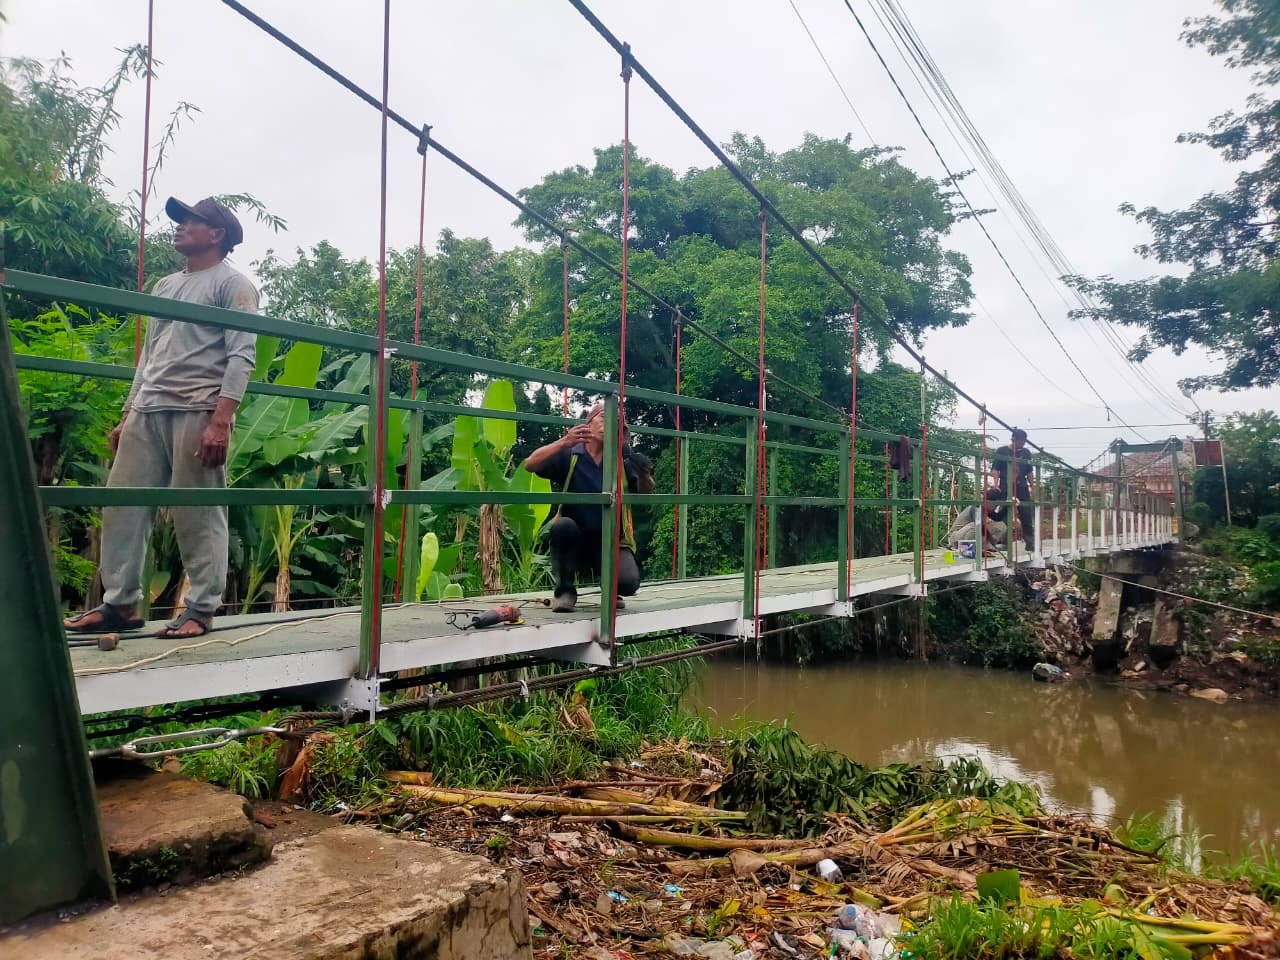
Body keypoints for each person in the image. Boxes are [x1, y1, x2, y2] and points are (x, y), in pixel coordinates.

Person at [65, 196, 258, 638]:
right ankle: (120, 605)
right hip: (148, 408)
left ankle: (201, 609)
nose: (181, 226)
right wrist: (127, 413)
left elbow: (242, 354)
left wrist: (221, 419)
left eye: (193, 221)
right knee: (123, 505)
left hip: (196, 405)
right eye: (181, 220)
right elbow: (149, 356)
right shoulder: (165, 286)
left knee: (197, 511)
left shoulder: (233, 285)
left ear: (217, 234)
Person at [524, 403, 654, 612]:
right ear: (588, 424)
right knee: (562, 526)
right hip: (574, 540)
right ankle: (565, 591)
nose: (610, 423)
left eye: (616, 421)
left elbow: (646, 494)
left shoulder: (621, 460)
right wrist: (564, 441)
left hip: (610, 542)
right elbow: (530, 464)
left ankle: (612, 590)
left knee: (629, 583)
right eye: (604, 417)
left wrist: (642, 469)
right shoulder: (571, 454)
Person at [991, 427, 1035, 550]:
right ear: (1014, 439)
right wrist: (995, 484)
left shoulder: (1026, 453)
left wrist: (1033, 487)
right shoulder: (1002, 451)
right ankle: (1006, 540)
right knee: (1004, 513)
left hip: (1021, 486)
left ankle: (1030, 542)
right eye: (1021, 442)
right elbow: (995, 469)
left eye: (1024, 442)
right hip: (1005, 486)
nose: (1023, 444)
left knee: (1026, 514)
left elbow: (1029, 471)